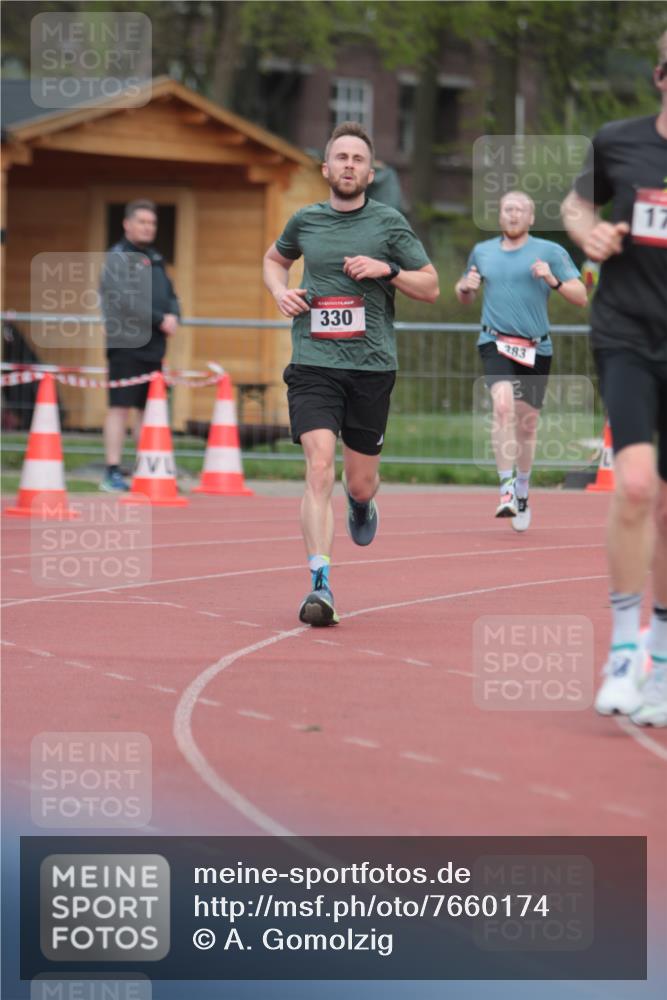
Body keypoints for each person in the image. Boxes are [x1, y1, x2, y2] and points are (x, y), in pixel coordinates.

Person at [263, 121, 439, 626]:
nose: (348, 166)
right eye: (340, 158)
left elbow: (430, 287)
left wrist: (387, 270)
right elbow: (274, 261)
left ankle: (362, 505)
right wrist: (280, 290)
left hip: (371, 367)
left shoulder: (389, 224)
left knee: (358, 484)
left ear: (370, 170)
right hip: (314, 363)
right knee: (318, 467)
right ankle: (320, 585)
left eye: (357, 159)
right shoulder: (305, 221)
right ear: (325, 168)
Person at [562, 32, 667, 727]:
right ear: (660, 76)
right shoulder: (619, 141)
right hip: (626, 331)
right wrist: (587, 232)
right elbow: (575, 205)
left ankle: (660, 657)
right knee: (634, 485)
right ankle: (623, 650)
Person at [455, 191, 587, 530]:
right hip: (494, 341)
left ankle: (523, 488)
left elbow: (581, 297)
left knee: (526, 427)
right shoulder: (482, 252)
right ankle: (505, 490)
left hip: (535, 347)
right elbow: (464, 295)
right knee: (502, 407)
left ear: (531, 218)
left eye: (521, 210)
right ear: (499, 215)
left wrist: (552, 280)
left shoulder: (550, 252)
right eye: (507, 209)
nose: (513, 215)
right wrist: (465, 287)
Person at [99, 200, 180, 492]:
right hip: (126, 344)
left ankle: (144, 469)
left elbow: (171, 293)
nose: (148, 227)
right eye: (142, 222)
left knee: (148, 410)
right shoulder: (118, 257)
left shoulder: (155, 257)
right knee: (120, 407)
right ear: (127, 224)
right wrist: (160, 319)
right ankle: (111, 471)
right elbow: (123, 300)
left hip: (154, 346)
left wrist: (174, 315)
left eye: (152, 223)